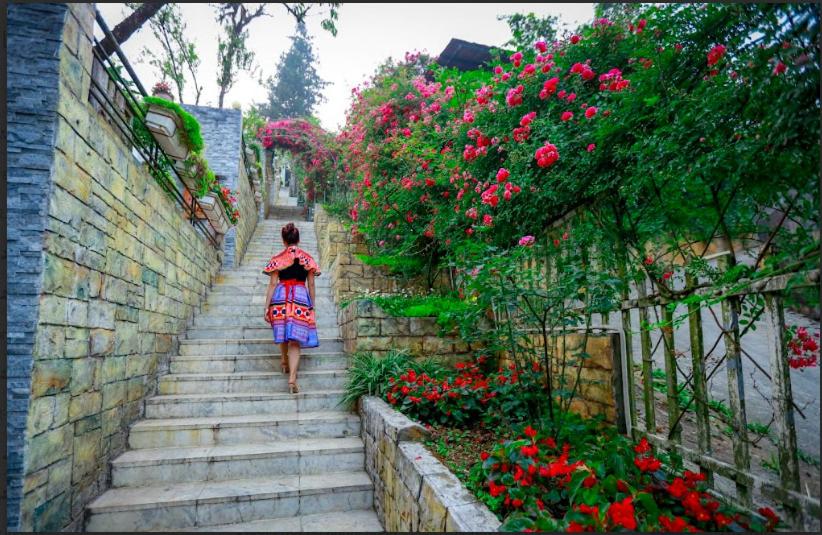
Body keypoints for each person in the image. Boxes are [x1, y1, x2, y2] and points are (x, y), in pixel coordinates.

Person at [262, 223, 320, 393]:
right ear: (298, 239)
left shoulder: (277, 259)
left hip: (280, 297)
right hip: (300, 298)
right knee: (295, 339)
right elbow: (311, 283)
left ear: (283, 240)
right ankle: (292, 378)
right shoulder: (307, 259)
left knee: (282, 331)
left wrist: (266, 307)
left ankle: (284, 362)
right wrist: (312, 306)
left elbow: (273, 283)